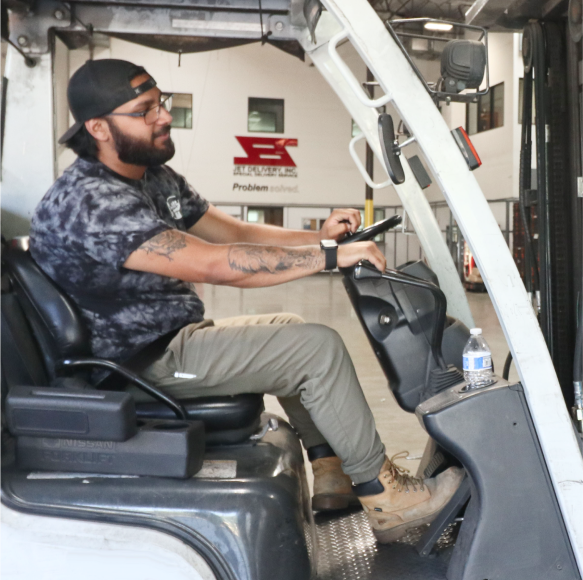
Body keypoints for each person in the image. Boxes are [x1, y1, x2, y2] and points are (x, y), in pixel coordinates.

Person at [30, 59, 462, 543]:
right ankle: (388, 500)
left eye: (161, 103)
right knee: (315, 348)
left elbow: (232, 232)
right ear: (98, 128)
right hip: (136, 363)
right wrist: (327, 258)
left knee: (290, 324)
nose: (164, 117)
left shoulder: (151, 176)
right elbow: (211, 263)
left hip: (171, 338)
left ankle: (332, 472)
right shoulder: (89, 201)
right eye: (144, 110)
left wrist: (318, 240)